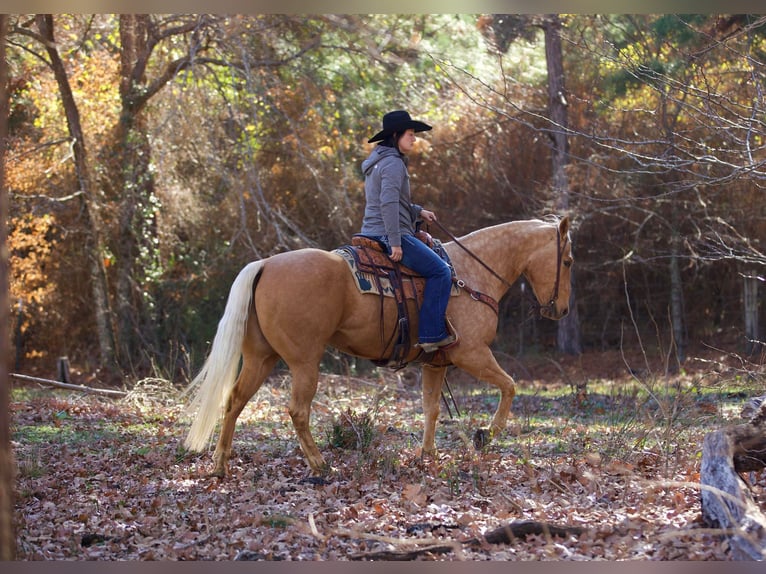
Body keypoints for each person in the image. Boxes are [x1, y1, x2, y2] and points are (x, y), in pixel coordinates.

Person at [360, 110, 457, 353]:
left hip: (372, 229)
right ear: (396, 135)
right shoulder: (393, 163)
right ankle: (431, 335)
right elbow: (388, 204)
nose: (414, 139)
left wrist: (418, 211)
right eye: (411, 134)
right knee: (441, 272)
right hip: (389, 232)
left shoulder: (379, 160)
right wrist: (395, 242)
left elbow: (392, 200)